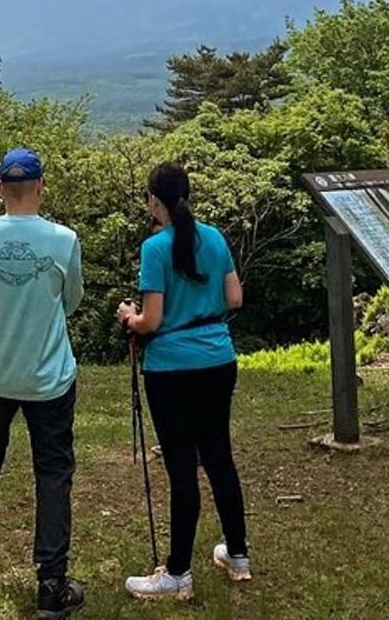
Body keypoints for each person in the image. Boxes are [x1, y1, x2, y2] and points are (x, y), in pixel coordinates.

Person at [0, 148, 86, 620]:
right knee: (52, 472)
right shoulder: (63, 240)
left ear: (0, 188)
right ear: (41, 187)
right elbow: (71, 302)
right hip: (48, 375)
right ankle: (51, 583)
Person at [117, 162, 250, 601]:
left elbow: (151, 320)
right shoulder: (213, 238)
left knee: (181, 467)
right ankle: (237, 555)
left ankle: (177, 572)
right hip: (218, 358)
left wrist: (128, 318)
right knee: (219, 458)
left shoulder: (155, 248)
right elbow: (234, 298)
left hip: (171, 368)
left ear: (155, 200)